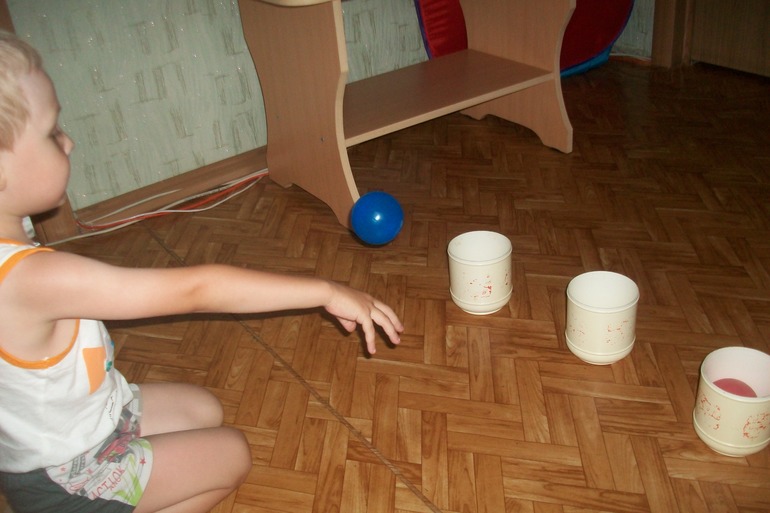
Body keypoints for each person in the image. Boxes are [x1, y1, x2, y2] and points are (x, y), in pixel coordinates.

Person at [0, 31, 403, 513]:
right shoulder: (33, 280)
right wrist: (326, 290)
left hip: (85, 422)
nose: (68, 141)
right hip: (71, 474)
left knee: (203, 409)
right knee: (232, 454)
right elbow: (198, 289)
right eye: (51, 132)